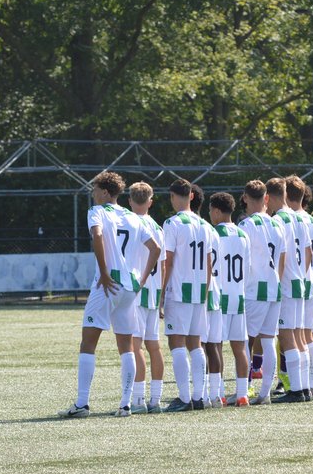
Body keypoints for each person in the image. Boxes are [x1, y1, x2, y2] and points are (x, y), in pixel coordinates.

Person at [58, 171, 160, 419]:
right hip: (129, 287)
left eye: (94, 189)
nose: (93, 194)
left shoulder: (97, 212)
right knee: (126, 347)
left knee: (88, 343)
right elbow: (155, 248)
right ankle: (125, 404)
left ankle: (82, 404)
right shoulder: (133, 217)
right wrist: (143, 279)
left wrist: (103, 272)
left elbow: (98, 236)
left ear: (105, 192)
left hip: (107, 284)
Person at [157, 181, 213, 412]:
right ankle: (199, 397)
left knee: (176, 342)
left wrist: (161, 294)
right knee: (196, 343)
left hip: (179, 290)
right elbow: (210, 263)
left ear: (172, 196)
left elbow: (167, 261)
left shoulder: (172, 223)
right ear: (191, 196)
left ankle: (184, 397)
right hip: (199, 290)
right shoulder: (205, 224)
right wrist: (206, 291)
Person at [238, 179, 286, 405]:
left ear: (246, 198)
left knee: (245, 340)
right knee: (268, 340)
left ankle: (243, 389)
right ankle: (264, 393)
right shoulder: (278, 224)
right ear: (266, 198)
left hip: (253, 289)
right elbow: (282, 261)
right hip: (274, 287)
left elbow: (243, 262)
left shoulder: (246, 226)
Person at [272, 177, 313, 403]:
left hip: (288, 283)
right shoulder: (300, 218)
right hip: (301, 280)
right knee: (299, 336)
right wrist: (302, 272)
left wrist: (277, 282)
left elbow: (281, 254)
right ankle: (305, 387)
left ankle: (297, 389)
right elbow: (308, 251)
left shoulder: (279, 219)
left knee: (287, 336)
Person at [207, 192, 252, 406]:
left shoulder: (215, 234)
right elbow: (248, 267)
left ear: (216, 211)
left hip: (221, 296)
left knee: (215, 345)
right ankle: (243, 393)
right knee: (240, 346)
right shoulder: (244, 235)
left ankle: (219, 393)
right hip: (239, 295)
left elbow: (212, 266)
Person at [126, 183, 166, 414]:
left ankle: (139, 399)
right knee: (154, 346)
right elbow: (163, 265)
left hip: (136, 291)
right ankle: (156, 399)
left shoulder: (130, 224)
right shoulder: (158, 228)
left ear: (130, 201)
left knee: (135, 345)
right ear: (151, 201)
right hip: (154, 292)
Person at [291, 178, 313, 399]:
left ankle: (305, 385)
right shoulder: (312, 220)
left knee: (300, 334)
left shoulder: (292, 219)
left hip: (300, 279)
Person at [196, 185, 227, 408]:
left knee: (200, 344)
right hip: (218, 289)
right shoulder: (212, 231)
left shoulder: (198, 229)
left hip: (202, 290)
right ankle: (216, 394)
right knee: (215, 345)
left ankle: (203, 393)